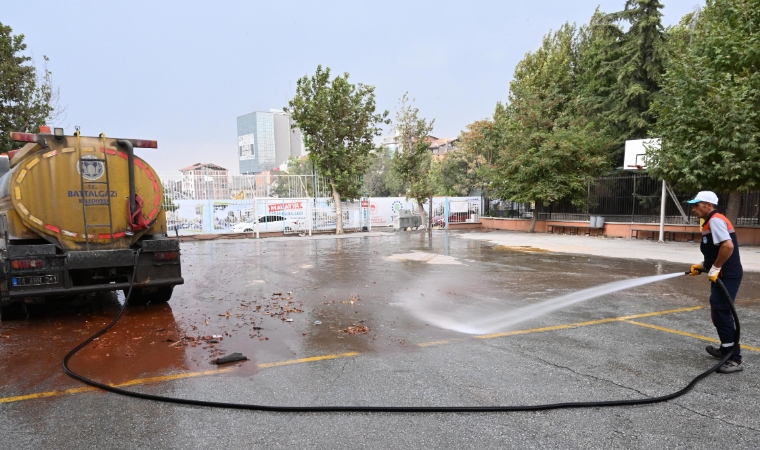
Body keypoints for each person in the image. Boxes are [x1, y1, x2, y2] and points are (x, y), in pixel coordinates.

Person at [688, 191, 743, 373]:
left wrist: (716, 267)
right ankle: (726, 349)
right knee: (718, 309)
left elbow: (728, 247)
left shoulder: (716, 220)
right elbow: (716, 250)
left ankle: (734, 358)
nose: (693, 208)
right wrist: (704, 265)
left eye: (697, 205)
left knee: (722, 310)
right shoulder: (710, 222)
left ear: (708, 205)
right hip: (722, 273)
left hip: (728, 274)